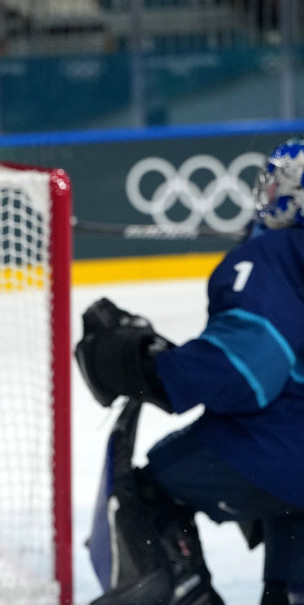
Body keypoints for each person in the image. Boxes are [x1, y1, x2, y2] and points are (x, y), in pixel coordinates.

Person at [74, 138, 304, 604]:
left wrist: (148, 366)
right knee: (290, 516)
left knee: (150, 491)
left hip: (288, 449)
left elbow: (245, 368)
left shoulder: (277, 254)